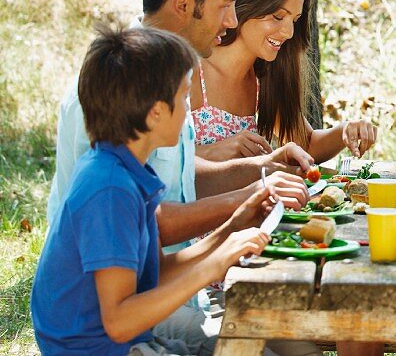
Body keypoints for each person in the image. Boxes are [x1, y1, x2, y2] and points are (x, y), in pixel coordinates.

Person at [45, 0, 311, 354]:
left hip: (159, 289)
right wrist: (228, 233)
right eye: (226, 6)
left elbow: (166, 206)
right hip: (119, 314)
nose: (231, 21)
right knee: (274, 343)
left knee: (288, 342)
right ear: (183, 5)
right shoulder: (120, 96)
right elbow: (122, 231)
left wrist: (249, 196)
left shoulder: (167, 83)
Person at [32, 25, 273, 356]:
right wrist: (214, 264)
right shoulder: (109, 188)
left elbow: (156, 275)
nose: (189, 110)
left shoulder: (127, 169)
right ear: (156, 112)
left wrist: (232, 230)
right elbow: (119, 321)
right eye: (184, 97)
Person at [193, 0, 376, 161]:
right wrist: (213, 152)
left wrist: (346, 131)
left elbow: (305, 144)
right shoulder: (191, 71)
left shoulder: (264, 78)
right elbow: (154, 160)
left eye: (294, 20)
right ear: (243, 6)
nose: (288, 32)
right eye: (278, 16)